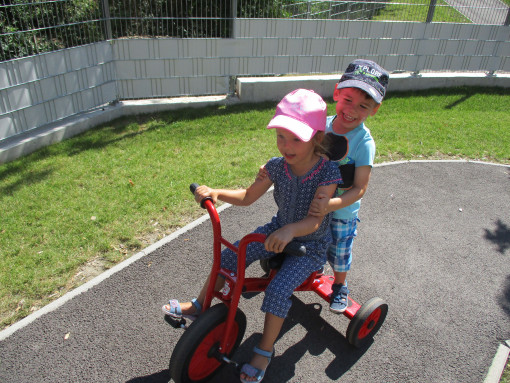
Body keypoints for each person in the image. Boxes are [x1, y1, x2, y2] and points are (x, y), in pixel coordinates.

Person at [162, 88, 342, 383]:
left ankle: (264, 350)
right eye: (281, 136)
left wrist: (291, 231)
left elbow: (313, 220)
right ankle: (199, 305)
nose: (286, 145)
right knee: (230, 256)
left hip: (310, 244)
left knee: (278, 289)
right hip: (277, 230)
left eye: (296, 138)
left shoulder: (328, 173)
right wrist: (218, 192)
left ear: (317, 138)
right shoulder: (276, 166)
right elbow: (247, 197)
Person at [308, 59, 389, 313]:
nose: (352, 109)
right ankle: (310, 267)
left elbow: (360, 188)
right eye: (348, 100)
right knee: (309, 240)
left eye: (363, 105)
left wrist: (332, 204)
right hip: (314, 203)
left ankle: (340, 286)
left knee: (340, 251)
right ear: (336, 93)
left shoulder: (364, 143)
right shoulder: (323, 125)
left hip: (341, 212)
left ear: (374, 109)